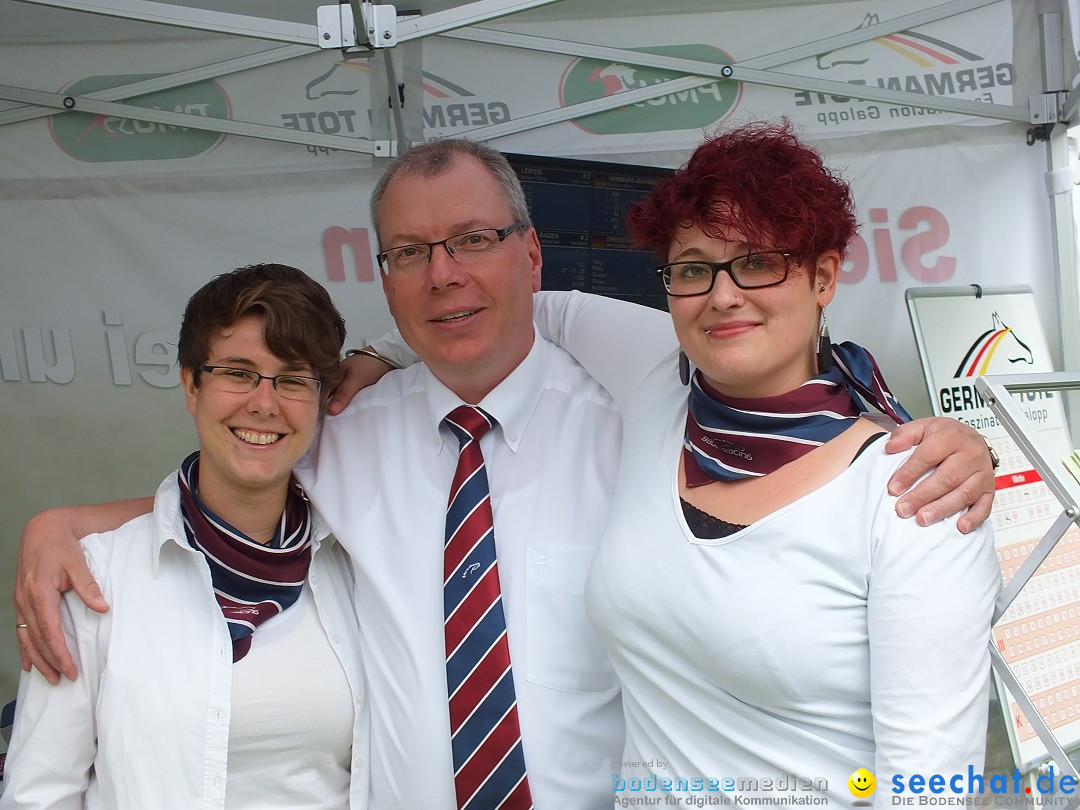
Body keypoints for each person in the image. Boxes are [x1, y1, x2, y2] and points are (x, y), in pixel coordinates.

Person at [13, 140, 996, 809]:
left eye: (475, 242)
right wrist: (74, 527)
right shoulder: (348, 433)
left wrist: (940, 434)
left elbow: (767, 363)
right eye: (411, 253)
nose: (445, 275)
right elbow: (234, 483)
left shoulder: (634, 401)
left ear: (533, 257)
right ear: (383, 276)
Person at [522, 123, 1000, 800]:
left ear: (824, 275)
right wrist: (379, 354)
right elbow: (538, 313)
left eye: (756, 262)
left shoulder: (911, 493)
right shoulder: (658, 386)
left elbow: (933, 790)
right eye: (693, 268)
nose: (722, 295)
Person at [1, 265, 368, 809]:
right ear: (191, 385)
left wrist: (382, 357)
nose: (264, 403)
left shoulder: (358, 567)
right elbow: (41, 793)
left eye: (292, 378)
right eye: (238, 373)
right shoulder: (96, 575)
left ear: (319, 400)